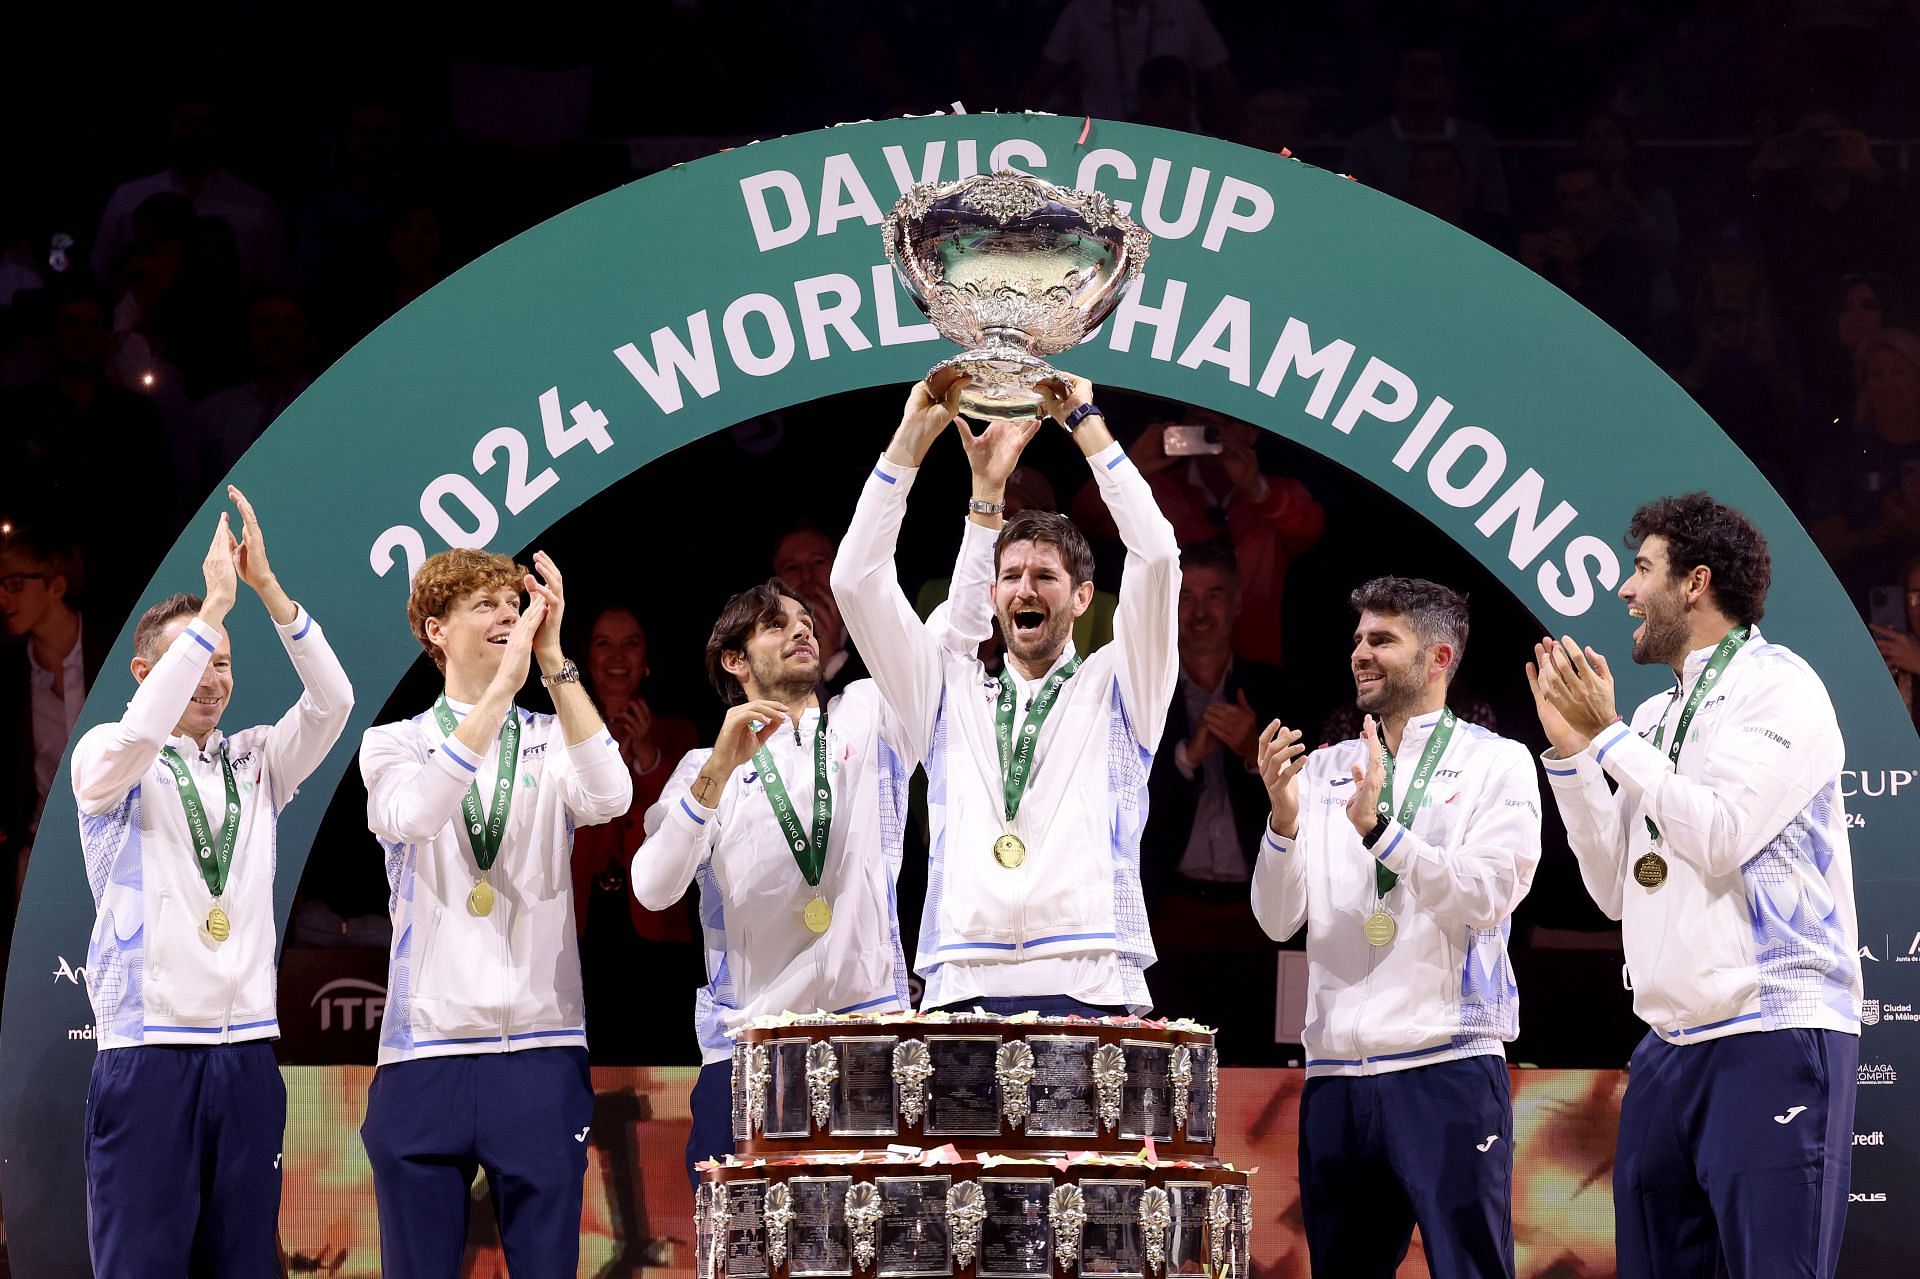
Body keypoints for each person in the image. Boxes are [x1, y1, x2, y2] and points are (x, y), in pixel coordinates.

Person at [1529, 492, 1860, 1279]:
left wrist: (1609, 736)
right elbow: (1616, 887)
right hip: (1669, 1046)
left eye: (1641, 568)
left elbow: (1720, 834)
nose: (1625, 590)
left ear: (1695, 582)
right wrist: (1578, 759)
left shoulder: (1781, 687)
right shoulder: (1650, 717)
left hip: (1770, 1028)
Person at [831, 372, 1181, 1016]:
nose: (1025, 589)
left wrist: (1084, 422)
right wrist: (913, 435)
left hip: (1089, 978)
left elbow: (1157, 556)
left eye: (1046, 575)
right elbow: (854, 581)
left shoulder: (1121, 685)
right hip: (961, 981)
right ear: (992, 596)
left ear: (1081, 598)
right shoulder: (944, 694)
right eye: (1011, 575)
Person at [70, 487, 353, 1277]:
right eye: (194, 659)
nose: (211, 677)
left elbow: (334, 702)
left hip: (246, 1057)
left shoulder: (257, 759)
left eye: (223, 661)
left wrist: (266, 592)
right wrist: (210, 610)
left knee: (246, 1266)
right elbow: (139, 727)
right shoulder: (108, 756)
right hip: (149, 1052)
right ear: (143, 670)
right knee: (142, 1265)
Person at [635, 570, 974, 1184]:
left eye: (807, 623)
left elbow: (948, 637)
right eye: (776, 624)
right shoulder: (700, 769)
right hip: (749, 1049)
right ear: (735, 660)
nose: (801, 629)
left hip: (870, 1041)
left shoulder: (869, 716)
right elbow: (653, 889)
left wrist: (984, 506)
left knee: (875, 1249)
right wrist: (717, 767)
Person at [1250, 576, 1540, 1279]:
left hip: (1446, 1065)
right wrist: (1282, 823)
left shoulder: (1497, 762)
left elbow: (1487, 894)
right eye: (1357, 639)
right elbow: (1276, 917)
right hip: (1337, 1078)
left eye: (1383, 639)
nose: (1361, 653)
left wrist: (1384, 833)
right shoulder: (1322, 771)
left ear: (1439, 657)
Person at [359, 547, 630, 1277]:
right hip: (424, 1056)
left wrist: (553, 666)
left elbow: (610, 796)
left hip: (540, 1048)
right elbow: (416, 814)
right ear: (435, 627)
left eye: (514, 603)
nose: (507, 613)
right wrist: (501, 692)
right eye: (484, 604)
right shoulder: (393, 743)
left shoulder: (550, 736)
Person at [1071, 409, 1321, 665]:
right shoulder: (1155, 490)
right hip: (1166, 669)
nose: (1216, 433)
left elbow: (1311, 531)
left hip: (1256, 673)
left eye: (1229, 422)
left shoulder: (1278, 497)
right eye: (1204, 423)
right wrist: (1130, 468)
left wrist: (1257, 490)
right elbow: (1084, 522)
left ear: (1253, 431)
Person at [571, 604, 700, 1061]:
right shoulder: (564, 734)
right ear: (587, 660)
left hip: (653, 924)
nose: (617, 655)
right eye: (603, 643)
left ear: (646, 661)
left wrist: (644, 754)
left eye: (631, 643)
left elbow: (677, 823)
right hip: (582, 923)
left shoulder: (678, 733)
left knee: (658, 1052)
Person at [0, 528, 108, 897]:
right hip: (43, 851)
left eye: (14, 583)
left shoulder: (112, 653)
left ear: (56, 587)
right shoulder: (13, 678)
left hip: (120, 846)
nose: (2, 597)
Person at [773, 522, 868, 700]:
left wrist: (832, 658)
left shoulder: (874, 635)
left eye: (818, 562)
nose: (807, 576)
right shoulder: (767, 652)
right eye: (792, 567)